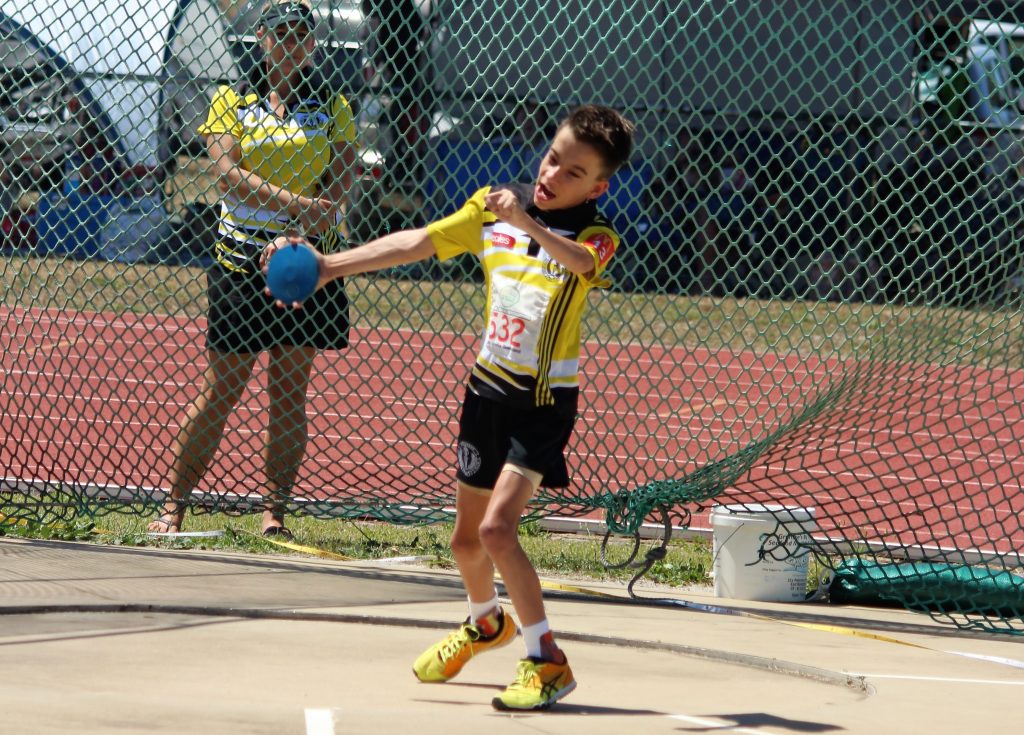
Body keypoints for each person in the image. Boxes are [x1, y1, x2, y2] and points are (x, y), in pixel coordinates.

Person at [266, 104, 634, 710]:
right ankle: (485, 622)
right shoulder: (493, 209)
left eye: (573, 173)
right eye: (552, 158)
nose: (551, 174)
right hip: (485, 393)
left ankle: (548, 661)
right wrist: (331, 266)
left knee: (497, 531)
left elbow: (580, 264)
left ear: (598, 187)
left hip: (542, 404)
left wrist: (527, 222)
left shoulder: (595, 234)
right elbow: (419, 241)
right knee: (465, 543)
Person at [147, 0, 358, 538]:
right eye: (280, 33)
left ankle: (274, 514)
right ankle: (174, 505)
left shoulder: (333, 103)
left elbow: (340, 177)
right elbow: (228, 174)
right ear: (261, 38)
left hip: (305, 264)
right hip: (240, 265)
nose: (290, 43)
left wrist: (297, 234)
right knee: (222, 390)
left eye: (300, 35)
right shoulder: (231, 99)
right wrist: (297, 205)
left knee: (289, 392)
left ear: (312, 44)